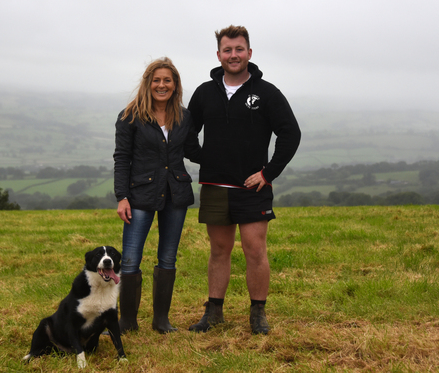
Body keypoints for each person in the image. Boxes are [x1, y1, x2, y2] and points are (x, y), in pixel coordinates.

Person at [187, 25, 301, 335]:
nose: (233, 55)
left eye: (239, 49)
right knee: (219, 250)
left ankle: (258, 313)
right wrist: (204, 158)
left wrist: (268, 173)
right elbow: (186, 133)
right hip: (214, 186)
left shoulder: (267, 93)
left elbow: (290, 134)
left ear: (249, 53)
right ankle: (213, 312)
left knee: (254, 249)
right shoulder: (204, 93)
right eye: (228, 50)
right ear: (219, 55)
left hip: (253, 187)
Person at [113, 57, 201, 334]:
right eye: (157, 80)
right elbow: (122, 158)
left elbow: (193, 152)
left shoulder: (184, 117)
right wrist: (122, 196)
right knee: (129, 260)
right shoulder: (130, 116)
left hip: (176, 194)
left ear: (175, 85)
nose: (162, 85)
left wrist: (228, 156)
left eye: (167, 80)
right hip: (139, 195)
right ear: (148, 84)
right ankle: (126, 322)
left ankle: (161, 321)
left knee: (168, 259)